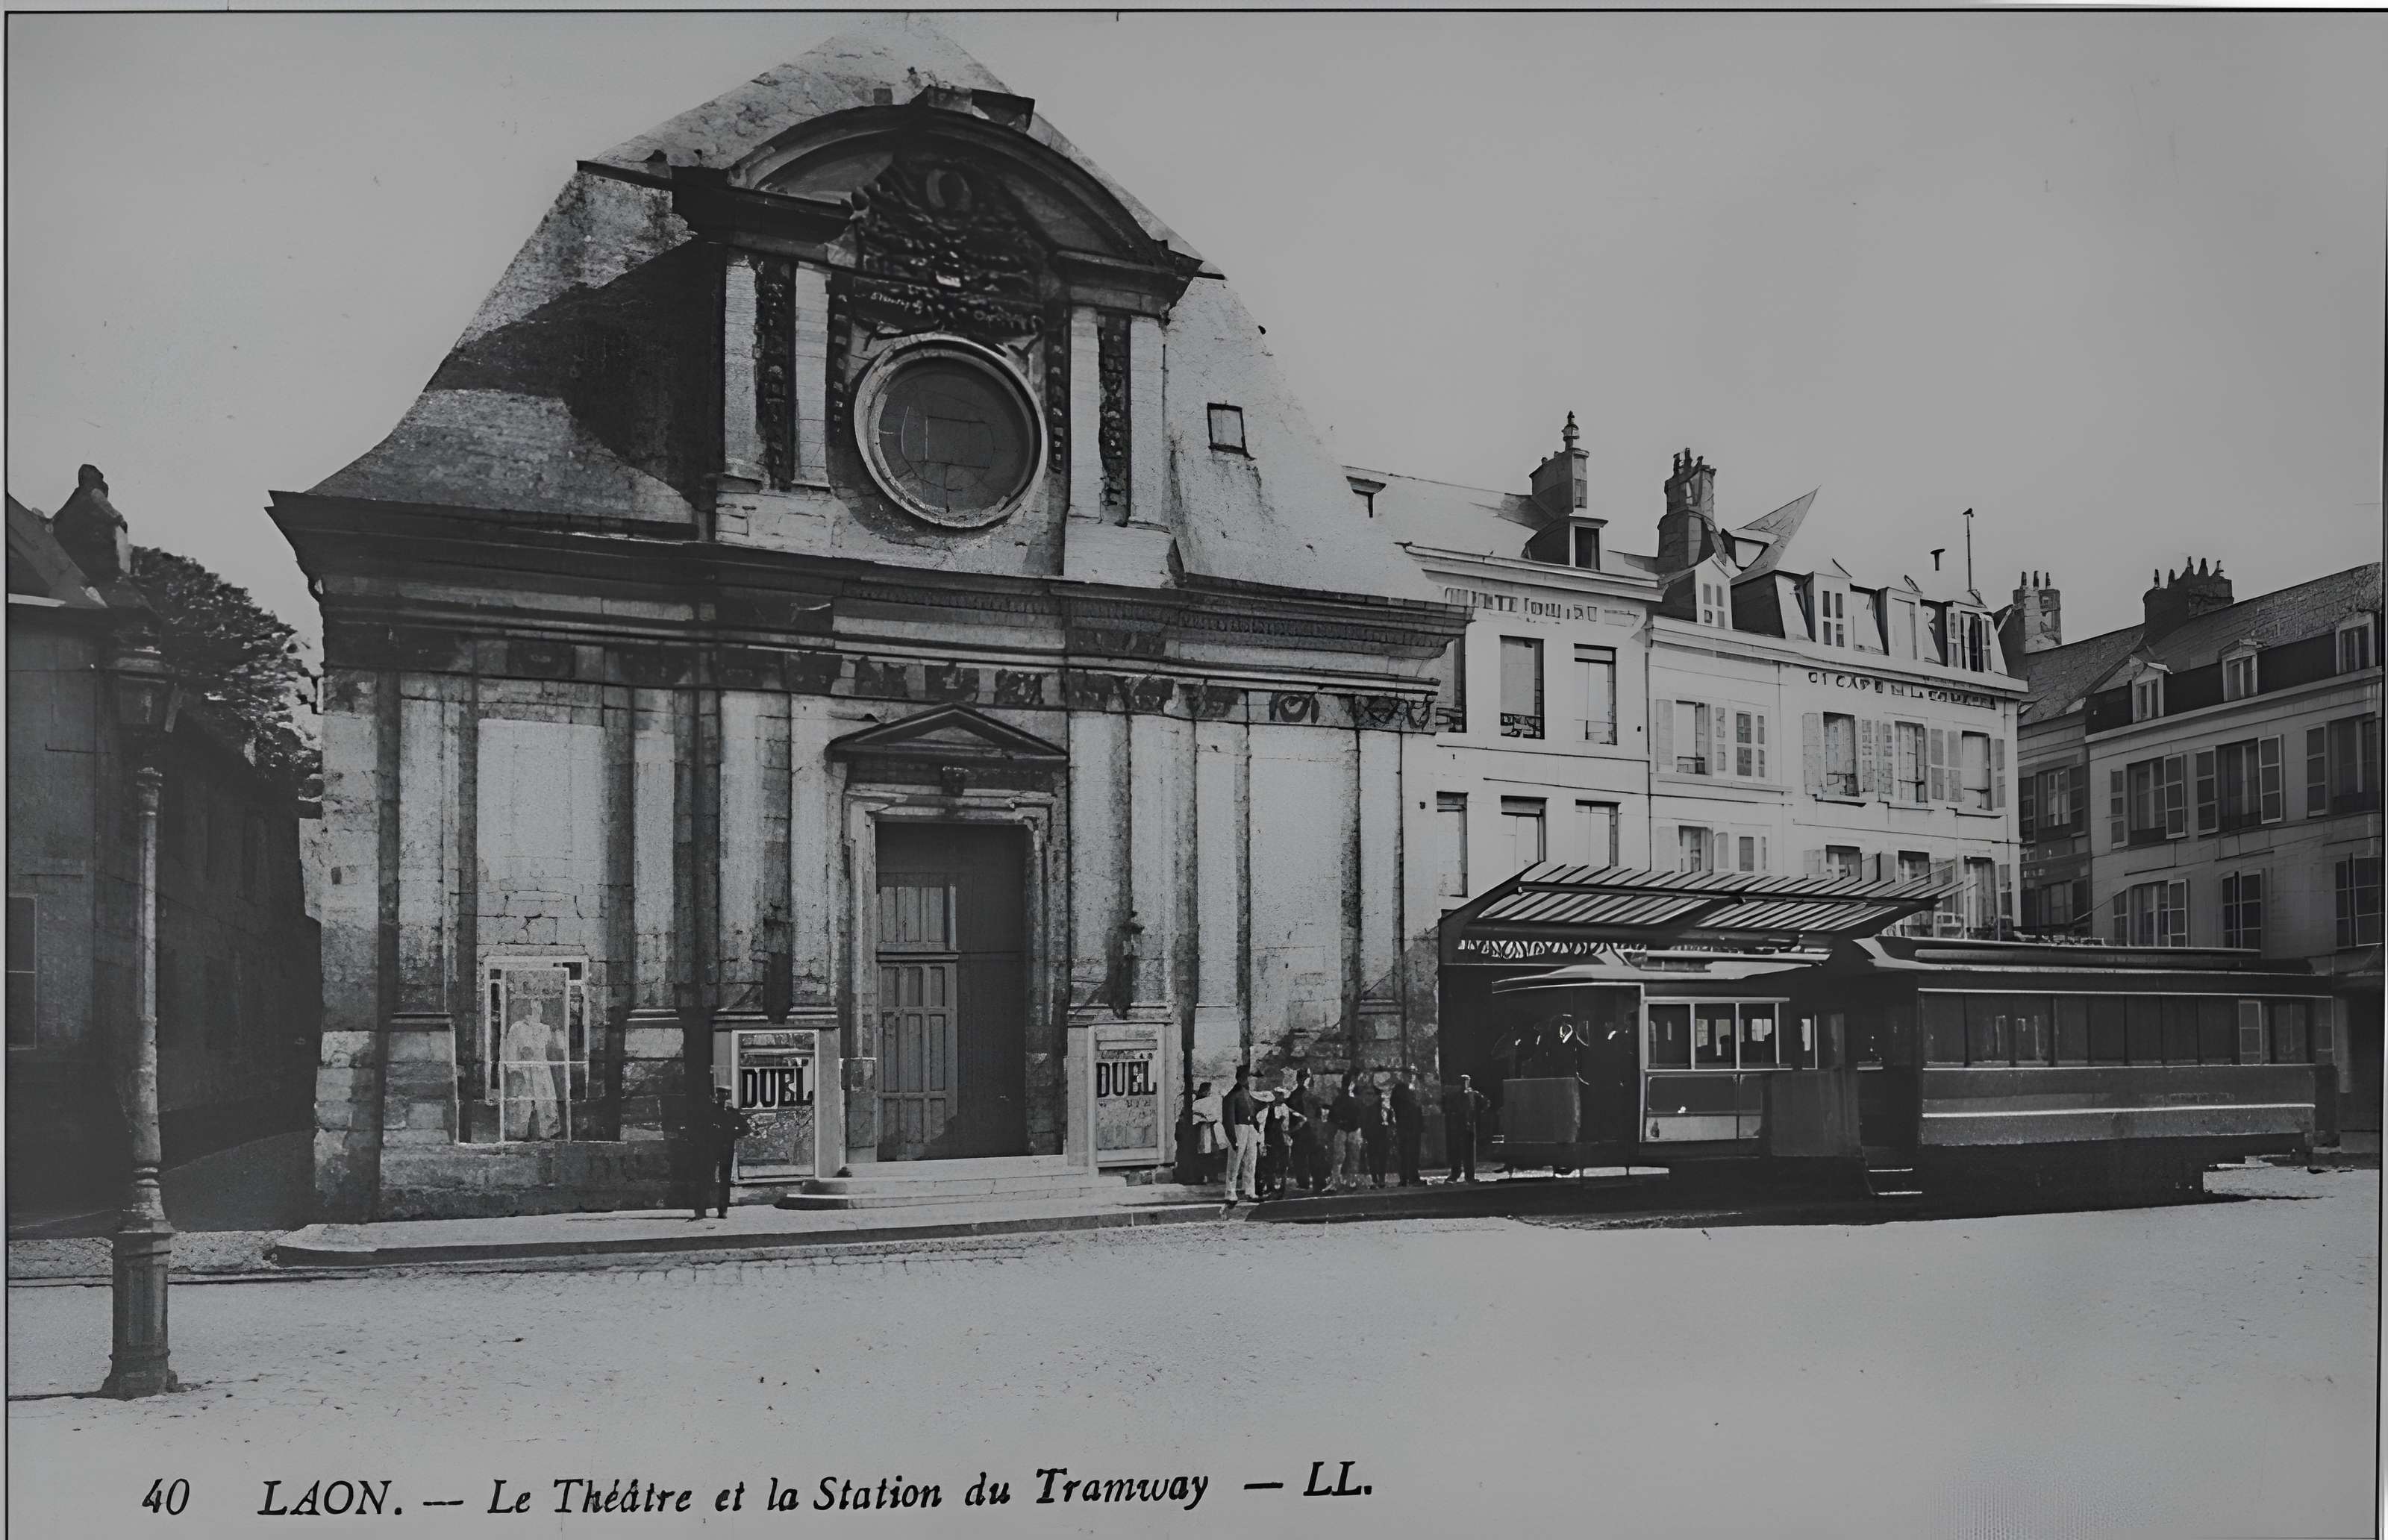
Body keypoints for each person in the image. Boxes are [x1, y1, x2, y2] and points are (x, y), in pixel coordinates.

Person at [693, 1085, 753, 1219]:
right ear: (716, 1096)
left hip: (726, 1148)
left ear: (728, 1096)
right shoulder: (708, 1111)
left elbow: (746, 1129)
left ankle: (723, 1209)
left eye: (725, 1095)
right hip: (710, 1148)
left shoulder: (732, 1113)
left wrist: (731, 1134)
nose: (722, 1098)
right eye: (720, 1095)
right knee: (706, 1177)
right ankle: (701, 1210)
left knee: (725, 1179)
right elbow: (699, 1128)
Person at [1221, 1066, 1261, 1208]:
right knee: (1235, 1162)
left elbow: (1254, 1113)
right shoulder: (1232, 1096)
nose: (1247, 1079)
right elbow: (1228, 1120)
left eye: (1248, 1077)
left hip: (1250, 1129)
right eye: (1244, 1077)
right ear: (1238, 1078)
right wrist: (1233, 1138)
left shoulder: (1248, 1094)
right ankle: (1230, 1193)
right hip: (1239, 1128)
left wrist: (1256, 1129)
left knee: (1251, 1161)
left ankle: (1250, 1191)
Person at [1443, 1074, 1488, 1183]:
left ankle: (1464, 1175)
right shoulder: (1462, 1095)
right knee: (1460, 1152)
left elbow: (1485, 1103)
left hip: (1465, 1126)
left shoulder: (1470, 1094)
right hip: (1462, 1125)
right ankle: (1461, 1175)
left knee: (1465, 1153)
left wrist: (1478, 1113)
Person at [1284, 1070, 1322, 1193]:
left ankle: (1306, 1183)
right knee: (1309, 1157)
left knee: (1302, 1157)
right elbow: (1318, 1114)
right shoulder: (1309, 1096)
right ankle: (1315, 1182)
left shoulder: (1293, 1097)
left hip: (1302, 1130)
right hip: (1305, 1130)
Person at [1327, 1075, 1365, 1192]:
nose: (1347, 1087)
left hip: (1354, 1130)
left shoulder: (1356, 1101)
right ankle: (1336, 1181)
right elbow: (1332, 1118)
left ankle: (1352, 1181)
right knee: (1339, 1157)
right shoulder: (1338, 1101)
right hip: (1342, 1129)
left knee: (1354, 1157)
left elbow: (1362, 1117)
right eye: (1345, 1084)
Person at [1390, 1071, 1424, 1187]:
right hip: (1409, 1125)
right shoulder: (1404, 1091)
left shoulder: (1401, 1090)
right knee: (1411, 1152)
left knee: (1405, 1152)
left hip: (1406, 1124)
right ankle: (1411, 1177)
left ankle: (1405, 1178)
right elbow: (1413, 1106)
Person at [1359, 1073, 1390, 1189]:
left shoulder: (1379, 1106)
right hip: (1372, 1134)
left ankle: (1379, 1178)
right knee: (1374, 1157)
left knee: (1379, 1156)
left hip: (1379, 1133)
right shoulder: (1368, 1106)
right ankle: (1376, 1179)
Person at [1189, 1082, 1224, 1184]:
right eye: (1209, 1091)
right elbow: (1195, 1118)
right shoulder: (1197, 1103)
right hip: (1202, 1130)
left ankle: (1213, 1176)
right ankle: (1206, 1176)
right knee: (1205, 1154)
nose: (1210, 1093)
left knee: (1213, 1153)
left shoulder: (1210, 1102)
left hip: (1211, 1130)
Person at [1254, 1090, 1286, 1201]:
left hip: (1272, 1141)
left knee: (1271, 1165)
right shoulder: (1263, 1113)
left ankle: (1272, 1188)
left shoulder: (1272, 1112)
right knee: (1267, 1165)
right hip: (1267, 1141)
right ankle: (1268, 1187)